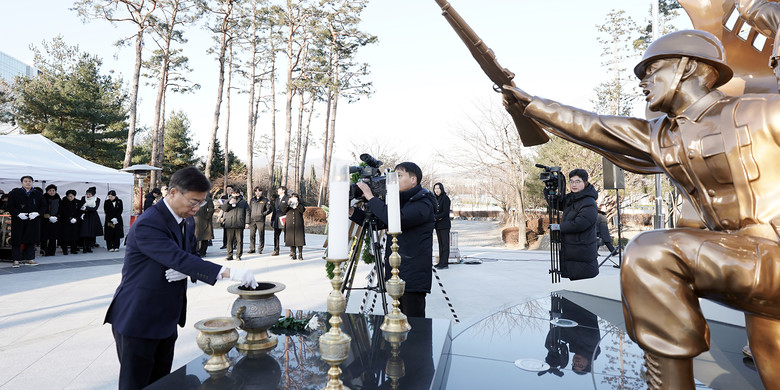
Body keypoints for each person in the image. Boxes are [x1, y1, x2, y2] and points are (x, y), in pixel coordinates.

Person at [502, 29, 780, 387]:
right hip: (743, 261)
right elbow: (594, 126)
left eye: (651, 70)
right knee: (772, 362)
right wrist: (530, 105)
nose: (643, 81)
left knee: (652, 254)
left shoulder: (764, 112)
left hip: (771, 253)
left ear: (687, 67)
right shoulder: (664, 135)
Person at [104, 166, 258, 390]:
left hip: (167, 317)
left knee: (163, 382)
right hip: (139, 318)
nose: (196, 208)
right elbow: (178, 258)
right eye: (193, 202)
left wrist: (187, 270)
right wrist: (229, 272)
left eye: (201, 203)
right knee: (136, 384)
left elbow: (190, 256)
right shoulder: (149, 222)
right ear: (173, 192)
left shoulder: (187, 220)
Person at [349, 162, 436, 317]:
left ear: (413, 179)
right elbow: (380, 222)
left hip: (412, 275)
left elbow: (398, 220)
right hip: (398, 271)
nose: (394, 180)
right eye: (393, 176)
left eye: (399, 176)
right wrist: (351, 212)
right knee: (397, 320)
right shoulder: (401, 200)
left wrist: (371, 197)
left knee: (413, 321)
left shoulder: (423, 202)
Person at [548, 169, 599, 281]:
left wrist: (559, 227)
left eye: (577, 181)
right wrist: (548, 190)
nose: (574, 184)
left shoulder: (589, 202)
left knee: (582, 286)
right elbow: (556, 204)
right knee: (574, 284)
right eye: (571, 181)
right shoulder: (571, 198)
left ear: (585, 182)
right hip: (572, 251)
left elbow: (580, 223)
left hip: (582, 251)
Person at [6, 176, 45, 267]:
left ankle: (30, 258)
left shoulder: (38, 194)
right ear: (22, 183)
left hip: (33, 220)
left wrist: (37, 213)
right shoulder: (14, 193)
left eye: (30, 181)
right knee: (17, 239)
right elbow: (10, 206)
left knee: (31, 239)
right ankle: (16, 260)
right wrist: (18, 214)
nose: (28, 183)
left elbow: (43, 206)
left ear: (32, 182)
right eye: (25, 181)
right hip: (19, 220)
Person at [220, 188, 250, 261]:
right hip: (229, 223)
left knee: (239, 240)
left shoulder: (243, 202)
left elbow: (248, 212)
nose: (235, 195)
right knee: (229, 240)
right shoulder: (228, 200)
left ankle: (238, 255)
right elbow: (224, 209)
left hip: (239, 223)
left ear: (239, 194)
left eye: (236, 193)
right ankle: (229, 255)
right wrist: (229, 203)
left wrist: (247, 222)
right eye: (233, 193)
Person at [432, 182, 451, 269]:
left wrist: (435, 217)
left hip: (444, 225)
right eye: (435, 188)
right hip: (438, 225)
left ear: (441, 189)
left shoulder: (445, 198)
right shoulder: (435, 198)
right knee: (440, 244)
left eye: (438, 188)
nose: (436, 190)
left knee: (445, 244)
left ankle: (445, 263)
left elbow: (445, 212)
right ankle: (440, 262)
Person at [283, 193, 306, 260]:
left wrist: (297, 204)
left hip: (298, 224)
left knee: (299, 240)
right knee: (291, 239)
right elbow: (283, 210)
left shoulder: (300, 204)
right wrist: (288, 204)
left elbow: (302, 210)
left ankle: (300, 254)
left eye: (295, 197)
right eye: (292, 197)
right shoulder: (288, 205)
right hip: (290, 224)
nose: (293, 199)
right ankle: (293, 254)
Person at [248, 187, 271, 254]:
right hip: (252, 220)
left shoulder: (265, 200)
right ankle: (252, 248)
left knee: (261, 235)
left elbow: (269, 209)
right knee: (252, 235)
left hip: (260, 220)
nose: (258, 192)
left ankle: (260, 248)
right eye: (256, 191)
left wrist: (263, 214)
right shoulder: (252, 200)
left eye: (259, 191)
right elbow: (249, 209)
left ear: (261, 192)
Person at [79, 187, 103, 253]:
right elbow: (81, 207)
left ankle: (90, 246)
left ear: (93, 194)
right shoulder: (83, 198)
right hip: (85, 216)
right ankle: (84, 246)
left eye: (89, 194)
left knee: (92, 232)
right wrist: (83, 210)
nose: (88, 195)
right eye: (87, 194)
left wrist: (86, 208)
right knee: (85, 232)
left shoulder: (97, 199)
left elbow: (95, 208)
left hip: (93, 216)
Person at [41, 184, 62, 257]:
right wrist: (48, 216)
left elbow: (61, 208)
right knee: (45, 236)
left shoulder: (58, 198)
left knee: (53, 236)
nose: (52, 192)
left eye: (53, 190)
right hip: (46, 220)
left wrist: (57, 216)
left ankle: (52, 251)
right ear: (47, 191)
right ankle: (44, 250)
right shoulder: (44, 198)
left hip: (55, 219)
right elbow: (43, 208)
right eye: (50, 190)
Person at [60, 189, 82, 255]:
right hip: (66, 221)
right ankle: (65, 249)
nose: (70, 198)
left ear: (74, 196)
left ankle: (73, 249)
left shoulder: (78, 202)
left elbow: (80, 211)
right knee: (65, 236)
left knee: (74, 235)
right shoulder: (63, 202)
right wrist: (69, 218)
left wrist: (76, 218)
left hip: (75, 221)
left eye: (71, 196)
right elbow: (62, 212)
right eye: (68, 196)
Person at [193, 192, 214, 257]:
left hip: (204, 220)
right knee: (196, 237)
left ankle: (203, 252)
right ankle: (197, 251)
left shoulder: (207, 199)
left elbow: (211, 209)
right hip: (195, 220)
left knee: (205, 237)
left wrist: (207, 216)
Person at [270, 186, 289, 256]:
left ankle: (292, 250)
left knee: (288, 235)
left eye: (279, 189)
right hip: (277, 220)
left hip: (285, 220)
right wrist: (272, 220)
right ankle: (276, 250)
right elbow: (274, 210)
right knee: (276, 236)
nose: (278, 190)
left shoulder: (287, 198)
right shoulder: (277, 199)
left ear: (283, 191)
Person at [218, 184, 234, 249]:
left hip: (232, 214)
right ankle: (225, 244)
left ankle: (233, 244)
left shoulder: (234, 197)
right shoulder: (223, 197)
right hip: (225, 215)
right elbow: (220, 206)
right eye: (227, 189)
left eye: (230, 189)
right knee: (225, 230)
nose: (228, 191)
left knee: (233, 231)